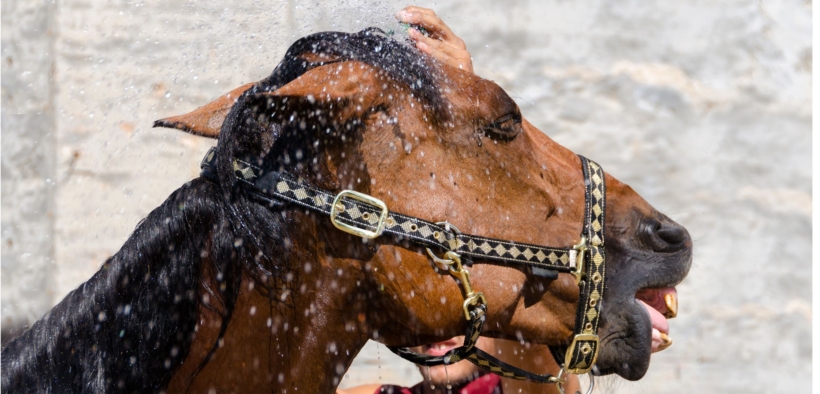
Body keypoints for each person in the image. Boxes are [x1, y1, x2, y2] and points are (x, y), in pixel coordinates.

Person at [337, 7, 581, 394]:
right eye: (423, 299)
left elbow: (528, 248)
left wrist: (464, 89)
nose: (440, 325)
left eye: (460, 296)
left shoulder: (524, 382)